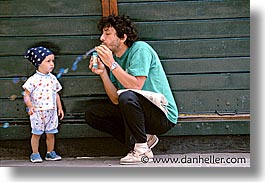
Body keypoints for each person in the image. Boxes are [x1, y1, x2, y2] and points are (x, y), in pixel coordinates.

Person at [85, 14, 178, 165]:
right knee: (93, 114)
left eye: (107, 34)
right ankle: (143, 139)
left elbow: (135, 86)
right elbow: (115, 99)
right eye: (102, 34)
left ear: (122, 37)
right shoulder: (115, 60)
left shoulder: (140, 49)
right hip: (137, 111)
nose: (102, 38)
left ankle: (141, 150)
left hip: (162, 115)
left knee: (127, 95)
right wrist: (103, 73)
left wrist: (112, 64)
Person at [22, 46, 64, 163]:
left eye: (53, 61)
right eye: (48, 61)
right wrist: (30, 106)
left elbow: (56, 94)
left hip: (51, 111)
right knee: (36, 134)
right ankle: (35, 153)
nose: (52, 64)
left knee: (51, 134)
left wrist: (60, 108)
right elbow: (26, 94)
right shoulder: (33, 80)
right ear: (39, 62)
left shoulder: (53, 78)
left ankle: (50, 152)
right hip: (38, 112)